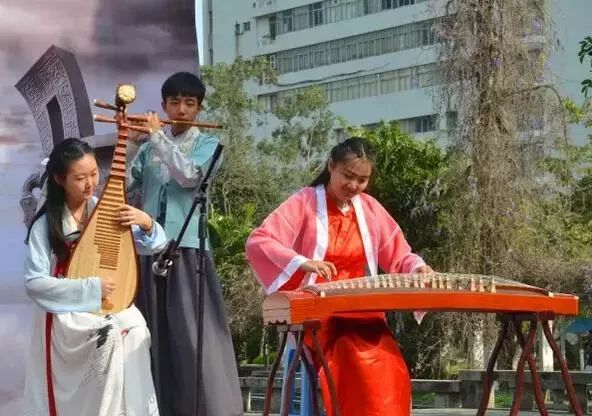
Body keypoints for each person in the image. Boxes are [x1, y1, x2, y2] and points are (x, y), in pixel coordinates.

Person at [246, 137, 434, 416]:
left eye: (362, 180)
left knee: (390, 361)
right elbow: (259, 241)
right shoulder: (305, 202)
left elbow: (398, 253)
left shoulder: (370, 209)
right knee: (352, 356)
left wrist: (417, 268)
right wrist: (302, 262)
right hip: (321, 311)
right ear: (331, 166)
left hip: (363, 310)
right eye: (348, 176)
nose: (354, 185)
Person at [23, 138, 167, 415]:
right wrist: (90, 288)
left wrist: (147, 223)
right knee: (110, 334)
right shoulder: (45, 225)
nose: (90, 183)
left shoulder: (104, 210)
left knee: (136, 328)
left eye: (93, 174)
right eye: (80, 178)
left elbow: (152, 245)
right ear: (59, 179)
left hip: (106, 304)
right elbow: (34, 283)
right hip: (68, 312)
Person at [127, 71, 242, 416]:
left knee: (191, 335)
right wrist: (130, 142)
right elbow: (126, 187)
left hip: (188, 248)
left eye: (189, 103)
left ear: (199, 108)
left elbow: (190, 176)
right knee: (150, 334)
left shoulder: (209, 145)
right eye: (174, 102)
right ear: (163, 105)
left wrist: (156, 138)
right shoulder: (148, 147)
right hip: (148, 249)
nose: (180, 109)